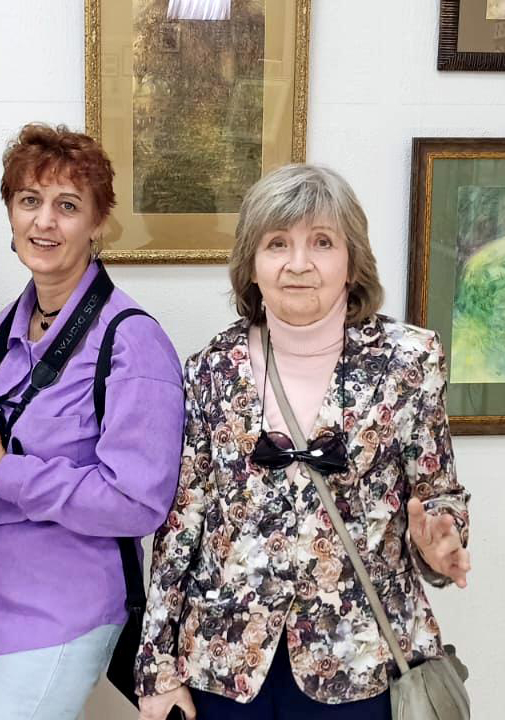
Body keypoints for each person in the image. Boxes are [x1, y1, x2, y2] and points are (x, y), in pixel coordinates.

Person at [136, 164, 471, 720]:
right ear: (251, 264)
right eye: (277, 243)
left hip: (361, 663)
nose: (298, 263)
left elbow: (438, 493)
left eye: (321, 242)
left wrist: (440, 542)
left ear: (352, 261)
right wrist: (156, 667)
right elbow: (182, 525)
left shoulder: (407, 361)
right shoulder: (211, 369)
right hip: (226, 661)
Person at [0, 124, 185, 719]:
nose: (44, 222)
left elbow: (138, 502)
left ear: (98, 223)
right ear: (11, 213)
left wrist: (2, 472)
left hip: (64, 612)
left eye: (67, 206)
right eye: (29, 201)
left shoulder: (131, 341)